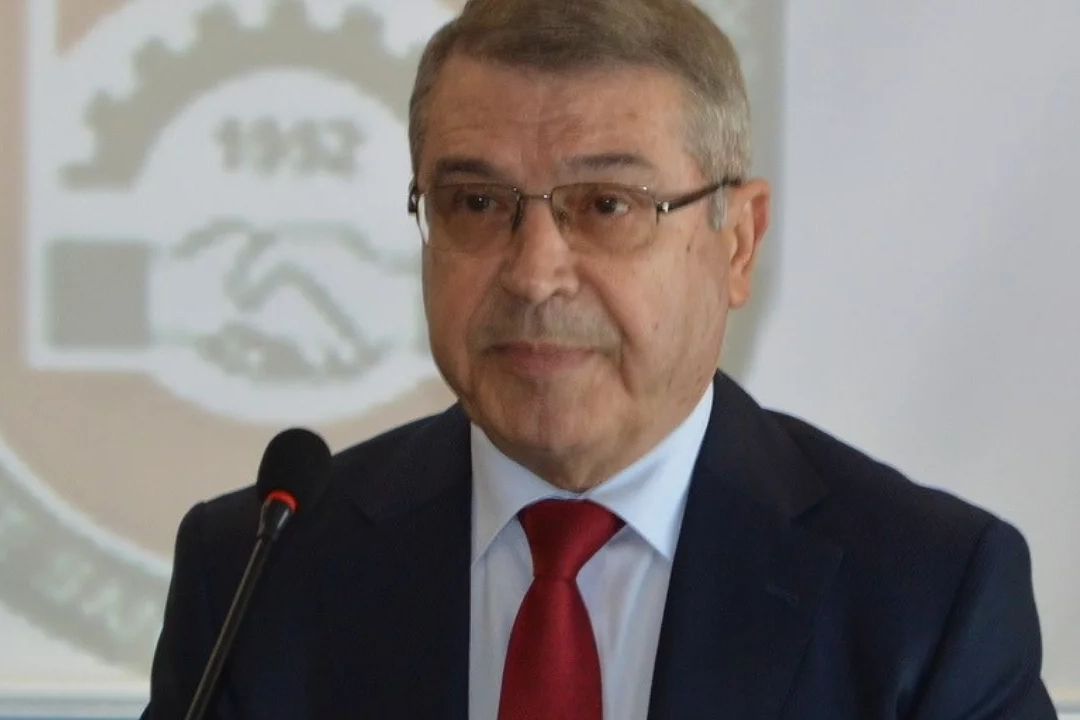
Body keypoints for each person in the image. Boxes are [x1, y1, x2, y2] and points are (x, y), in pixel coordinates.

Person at [141, 0, 1057, 718]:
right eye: (476, 204)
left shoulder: (927, 598)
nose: (535, 273)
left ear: (738, 242)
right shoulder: (257, 576)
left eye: (609, 205)